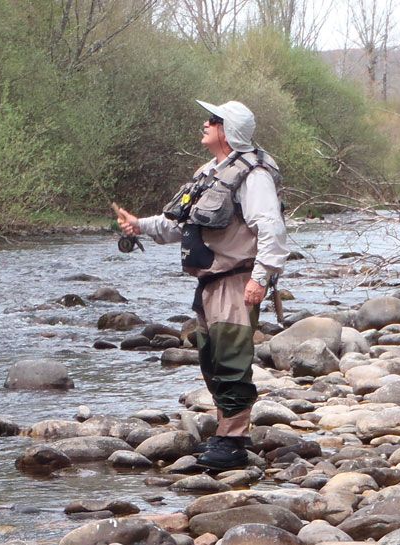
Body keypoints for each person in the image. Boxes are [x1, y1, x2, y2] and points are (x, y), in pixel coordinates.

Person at [115, 99, 291, 470]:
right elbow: (179, 224)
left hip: (237, 281)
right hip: (210, 283)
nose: (205, 123)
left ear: (227, 131)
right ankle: (226, 434)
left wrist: (260, 278)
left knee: (231, 361)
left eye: (213, 120)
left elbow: (272, 229)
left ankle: (233, 442)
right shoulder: (210, 171)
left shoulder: (254, 175)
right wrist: (139, 225)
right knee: (211, 360)